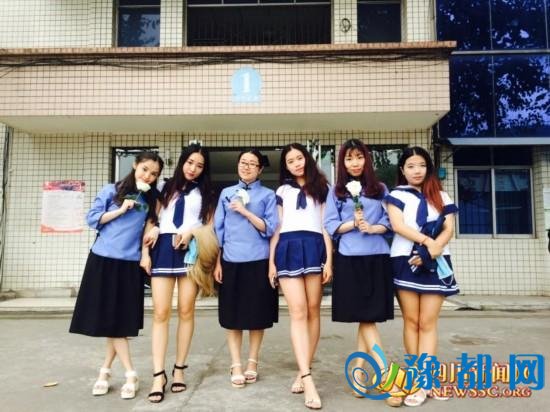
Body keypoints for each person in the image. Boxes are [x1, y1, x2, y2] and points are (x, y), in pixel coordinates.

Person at [69, 151, 164, 400]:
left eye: (154, 174)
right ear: (135, 165)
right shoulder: (111, 190)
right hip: (103, 260)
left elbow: (150, 226)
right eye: (145, 169)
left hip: (129, 263)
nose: (148, 176)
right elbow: (92, 219)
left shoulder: (152, 198)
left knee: (118, 322)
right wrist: (121, 210)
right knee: (113, 322)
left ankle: (105, 371)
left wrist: (146, 252)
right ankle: (130, 374)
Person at [323, 139, 401, 406]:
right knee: (366, 319)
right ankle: (385, 375)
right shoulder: (336, 192)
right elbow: (329, 224)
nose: (354, 163)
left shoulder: (380, 189)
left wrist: (374, 228)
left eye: (359, 157)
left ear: (366, 159)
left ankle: (358, 374)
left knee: (367, 319)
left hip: (377, 257)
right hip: (350, 259)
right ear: (342, 162)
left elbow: (390, 221)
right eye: (349, 158)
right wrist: (352, 223)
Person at [141, 144, 216, 403]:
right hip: (162, 248)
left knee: (186, 311)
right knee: (160, 313)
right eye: (190, 162)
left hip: (189, 250)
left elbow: (210, 225)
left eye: (199, 165)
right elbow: (153, 220)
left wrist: (192, 232)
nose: (193, 169)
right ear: (182, 161)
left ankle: (180, 369)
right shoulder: (164, 186)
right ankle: (158, 375)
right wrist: (145, 252)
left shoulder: (207, 192)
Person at [384, 146, 458, 407]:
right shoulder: (395, 195)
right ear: (402, 170)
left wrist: (431, 251)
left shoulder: (441, 195)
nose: (417, 171)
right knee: (412, 321)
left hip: (437, 262)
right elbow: (398, 226)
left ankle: (427, 380)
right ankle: (417, 379)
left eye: (422, 165)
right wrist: (428, 243)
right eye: (411, 166)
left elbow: (448, 228)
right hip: (404, 260)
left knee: (428, 322)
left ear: (429, 168)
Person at [268, 143, 332, 410]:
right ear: (285, 166)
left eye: (299, 158)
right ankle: (307, 378)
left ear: (307, 159)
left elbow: (326, 226)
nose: (296, 163)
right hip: (288, 247)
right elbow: (277, 227)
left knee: (313, 310)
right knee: (298, 311)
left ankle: (303, 369)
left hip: (315, 246)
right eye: (290, 161)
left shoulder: (322, 187)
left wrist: (329, 260)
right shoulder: (282, 191)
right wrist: (271, 262)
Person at [213, 149, 279, 388]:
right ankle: (236, 364)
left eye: (252, 163)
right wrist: (218, 261)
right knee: (232, 316)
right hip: (231, 260)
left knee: (257, 315)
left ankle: (252, 361)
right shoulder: (226, 193)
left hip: (258, 260)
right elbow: (218, 230)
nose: (247, 166)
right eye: (243, 162)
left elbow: (270, 228)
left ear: (260, 169)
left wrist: (244, 211)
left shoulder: (268, 195)